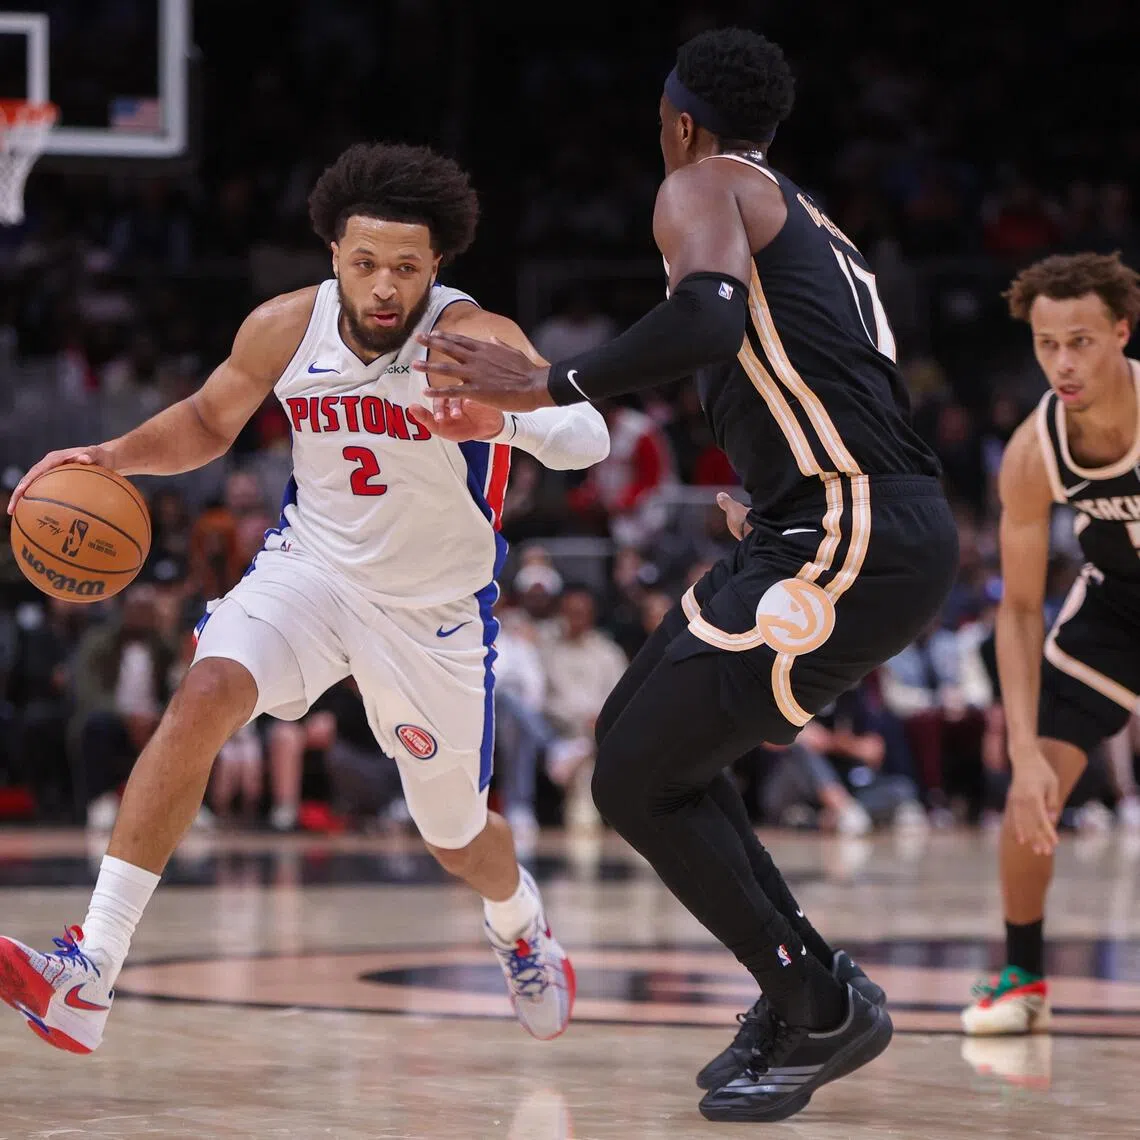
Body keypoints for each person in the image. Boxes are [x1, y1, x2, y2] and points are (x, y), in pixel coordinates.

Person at [416, 27, 957, 1123]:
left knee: (634, 779)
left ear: (679, 121)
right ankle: (806, 984)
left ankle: (813, 1004)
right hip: (826, 521)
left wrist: (549, 381)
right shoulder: (805, 214)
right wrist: (773, 483)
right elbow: (825, 372)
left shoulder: (705, 183)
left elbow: (708, 313)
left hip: (844, 532)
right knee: (633, 745)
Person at [0, 142, 610, 1054]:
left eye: (406, 266)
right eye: (365, 263)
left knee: (455, 837)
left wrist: (506, 415)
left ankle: (519, 921)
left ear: (437, 264)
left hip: (431, 616)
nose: (384, 288)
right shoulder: (287, 326)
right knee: (203, 693)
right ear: (333, 255)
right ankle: (89, 971)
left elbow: (589, 434)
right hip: (312, 572)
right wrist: (108, 457)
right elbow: (209, 422)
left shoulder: (472, 340)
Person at [961, 251, 1140, 1035]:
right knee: (1028, 797)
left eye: (1082, 342)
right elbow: (1022, 609)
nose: (1062, 363)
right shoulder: (1034, 452)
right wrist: (1026, 748)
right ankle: (1023, 978)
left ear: (1122, 334)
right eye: (1046, 345)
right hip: (1115, 615)